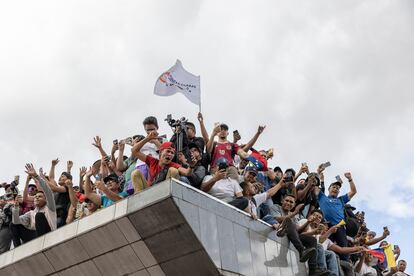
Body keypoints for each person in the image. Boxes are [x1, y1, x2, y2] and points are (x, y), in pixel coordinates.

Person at [269, 194, 329, 276]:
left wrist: (308, 222)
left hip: (294, 236)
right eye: (287, 200)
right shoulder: (276, 207)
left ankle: (313, 270)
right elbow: (277, 219)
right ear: (282, 201)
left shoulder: (293, 215)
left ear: (293, 205)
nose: (288, 203)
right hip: (280, 231)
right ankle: (301, 250)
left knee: (312, 240)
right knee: (288, 221)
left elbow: (297, 230)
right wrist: (295, 213)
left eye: (291, 202)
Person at [10, 164, 57, 247]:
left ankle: (41, 243)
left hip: (49, 235)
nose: (37, 198)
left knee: (39, 216)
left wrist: (36, 176)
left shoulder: (50, 208)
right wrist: (16, 207)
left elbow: (48, 191)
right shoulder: (31, 213)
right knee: (13, 224)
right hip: (34, 236)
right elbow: (16, 221)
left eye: (40, 196)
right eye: (35, 197)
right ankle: (17, 249)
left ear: (45, 199)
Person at [315, 172, 357, 261]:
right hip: (326, 226)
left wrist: (350, 179)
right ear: (329, 189)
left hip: (340, 227)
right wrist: (319, 175)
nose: (335, 189)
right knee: (323, 246)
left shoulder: (341, 199)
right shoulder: (322, 197)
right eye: (333, 187)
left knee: (343, 250)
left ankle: (345, 266)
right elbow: (315, 186)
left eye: (337, 188)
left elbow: (353, 191)